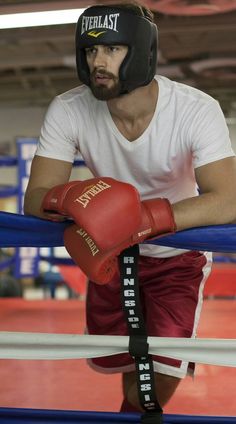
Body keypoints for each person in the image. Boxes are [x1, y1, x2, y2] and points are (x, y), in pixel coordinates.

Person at [24, 0, 236, 414]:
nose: (97, 62)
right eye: (90, 50)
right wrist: (72, 198)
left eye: (112, 49)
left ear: (141, 52)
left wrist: (140, 220)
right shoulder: (69, 108)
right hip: (109, 250)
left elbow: (227, 198)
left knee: (163, 367)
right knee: (124, 356)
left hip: (178, 253)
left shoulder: (195, 109)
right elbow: (37, 194)